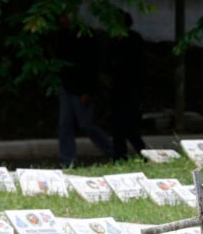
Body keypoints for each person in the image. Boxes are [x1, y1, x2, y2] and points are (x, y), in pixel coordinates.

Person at [56, 14, 113, 167]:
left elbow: (91, 66)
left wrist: (88, 90)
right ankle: (68, 160)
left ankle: (111, 150)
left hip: (81, 88)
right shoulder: (62, 36)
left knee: (86, 124)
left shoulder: (85, 38)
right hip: (67, 86)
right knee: (65, 125)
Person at [107, 10, 147, 160]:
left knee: (130, 127)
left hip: (132, 89)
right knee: (117, 127)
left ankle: (144, 153)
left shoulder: (134, 40)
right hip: (117, 89)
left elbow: (140, 67)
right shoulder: (112, 41)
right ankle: (119, 156)